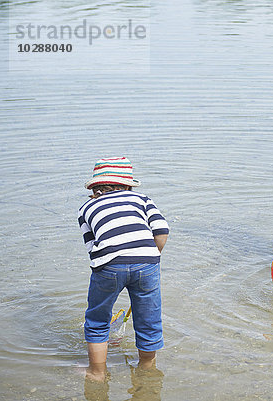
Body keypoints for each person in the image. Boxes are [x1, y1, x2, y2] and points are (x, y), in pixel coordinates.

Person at [78, 157, 169, 382]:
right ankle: (147, 367)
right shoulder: (141, 198)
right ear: (128, 185)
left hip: (108, 266)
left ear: (95, 187)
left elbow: (92, 246)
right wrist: (152, 256)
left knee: (98, 319)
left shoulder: (86, 207)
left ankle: (97, 373)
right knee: (148, 317)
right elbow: (162, 229)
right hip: (147, 262)